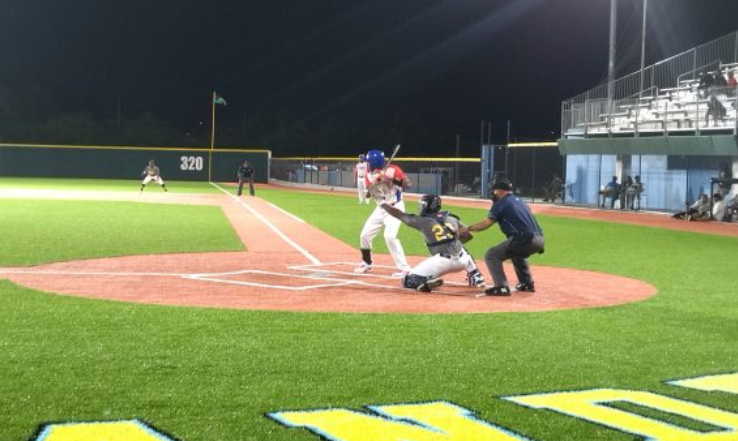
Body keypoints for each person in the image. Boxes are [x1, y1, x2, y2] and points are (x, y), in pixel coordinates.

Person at [379, 194, 486, 292]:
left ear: (429, 206)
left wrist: (382, 203)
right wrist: (449, 240)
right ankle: (475, 274)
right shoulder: (451, 218)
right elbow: (468, 236)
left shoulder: (422, 221)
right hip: (462, 262)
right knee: (460, 247)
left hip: (442, 262)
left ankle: (426, 281)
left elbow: (399, 214)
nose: (421, 207)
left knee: (408, 280)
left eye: (423, 205)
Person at [465, 178, 545, 296]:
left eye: (495, 191)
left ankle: (501, 286)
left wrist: (468, 229)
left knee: (492, 255)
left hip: (524, 238)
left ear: (500, 191)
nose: (493, 193)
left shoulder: (501, 203)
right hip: (539, 239)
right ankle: (526, 283)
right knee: (516, 253)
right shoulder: (520, 201)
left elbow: (486, 224)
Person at [354, 149, 411, 277]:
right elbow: (369, 194)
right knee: (365, 235)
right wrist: (375, 182)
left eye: (369, 162)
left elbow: (408, 183)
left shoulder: (393, 169)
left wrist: (391, 179)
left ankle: (405, 268)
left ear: (374, 162)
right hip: (381, 208)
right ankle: (366, 263)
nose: (367, 164)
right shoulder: (368, 175)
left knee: (389, 236)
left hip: (395, 208)